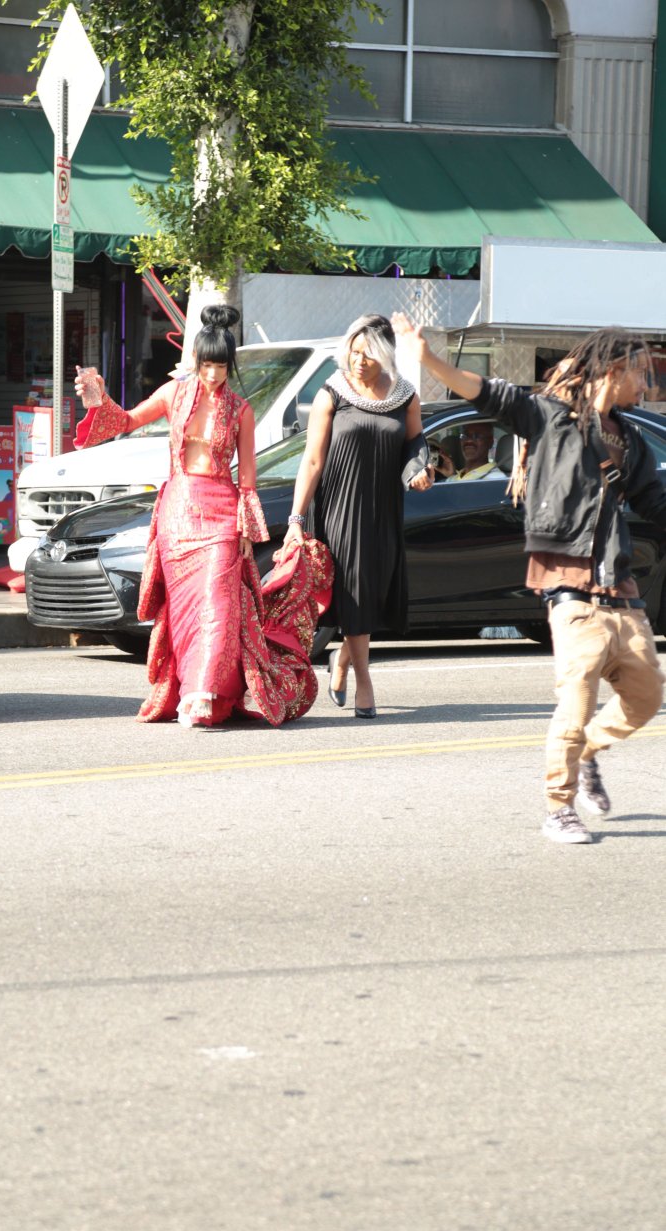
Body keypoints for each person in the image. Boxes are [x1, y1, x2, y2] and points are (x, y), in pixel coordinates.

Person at [391, 312, 666, 844]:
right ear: (611, 371)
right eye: (640, 371)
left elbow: (655, 503)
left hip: (621, 589)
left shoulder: (630, 439)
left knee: (647, 697)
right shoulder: (548, 418)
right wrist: (428, 359)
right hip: (571, 590)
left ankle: (588, 752)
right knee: (576, 702)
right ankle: (558, 808)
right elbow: (484, 392)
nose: (647, 383)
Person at [73, 305, 333, 728]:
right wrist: (98, 400)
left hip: (221, 516)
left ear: (230, 365)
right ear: (195, 360)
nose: (213, 374)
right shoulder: (173, 394)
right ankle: (191, 691)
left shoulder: (241, 409)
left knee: (219, 607)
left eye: (221, 366)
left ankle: (205, 695)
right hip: (178, 515)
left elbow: (247, 479)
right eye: (207, 365)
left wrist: (246, 529)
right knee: (185, 612)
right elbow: (127, 421)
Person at [276, 313, 434, 718]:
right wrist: (295, 521)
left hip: (384, 507)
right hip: (340, 507)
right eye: (354, 351)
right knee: (356, 591)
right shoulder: (333, 392)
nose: (359, 360)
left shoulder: (405, 395)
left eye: (368, 354)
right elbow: (312, 460)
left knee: (374, 595)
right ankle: (365, 683)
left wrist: (420, 468)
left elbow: (414, 442)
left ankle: (343, 659)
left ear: (386, 355)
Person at [438, 422, 504, 482]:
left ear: (490, 442)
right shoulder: (460, 474)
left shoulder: (494, 478)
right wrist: (452, 476)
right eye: (465, 436)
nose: (468, 441)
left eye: (477, 436)